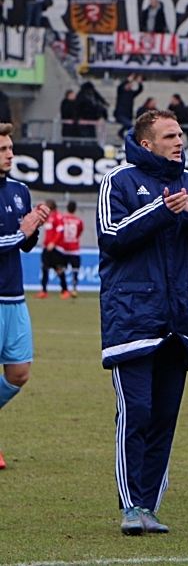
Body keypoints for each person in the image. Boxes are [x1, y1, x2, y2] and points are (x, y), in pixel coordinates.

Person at [99, 109, 188, 535]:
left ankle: (149, 507)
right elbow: (112, 236)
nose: (179, 141)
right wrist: (160, 210)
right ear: (146, 143)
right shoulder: (117, 181)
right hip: (133, 318)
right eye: (169, 135)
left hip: (180, 320)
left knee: (163, 419)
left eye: (181, 134)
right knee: (135, 412)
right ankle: (129, 505)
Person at [0, 122, 50, 470]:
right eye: (3, 149)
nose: (10, 154)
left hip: (15, 298)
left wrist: (35, 226)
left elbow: (25, 245)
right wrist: (22, 232)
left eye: (10, 148)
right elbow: (15, 238)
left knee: (19, 374)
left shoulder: (19, 190)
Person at [35, 199, 67, 299]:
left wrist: (53, 243)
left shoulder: (58, 216)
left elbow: (60, 231)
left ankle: (64, 290)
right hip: (47, 246)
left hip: (56, 247)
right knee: (45, 268)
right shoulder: (49, 218)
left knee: (59, 269)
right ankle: (44, 291)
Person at [57, 200, 83, 297]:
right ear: (75, 209)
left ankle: (64, 290)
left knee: (61, 269)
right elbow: (79, 233)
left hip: (64, 249)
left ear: (67, 208)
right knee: (75, 270)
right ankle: (74, 289)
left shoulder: (62, 219)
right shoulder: (79, 221)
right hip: (75, 249)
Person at [114, 74, 144, 140]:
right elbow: (120, 87)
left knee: (131, 127)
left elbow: (139, 90)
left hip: (128, 115)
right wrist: (128, 80)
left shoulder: (131, 93)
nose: (130, 85)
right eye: (129, 84)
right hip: (120, 114)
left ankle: (126, 136)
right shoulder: (121, 92)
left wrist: (139, 82)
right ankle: (120, 133)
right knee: (129, 125)